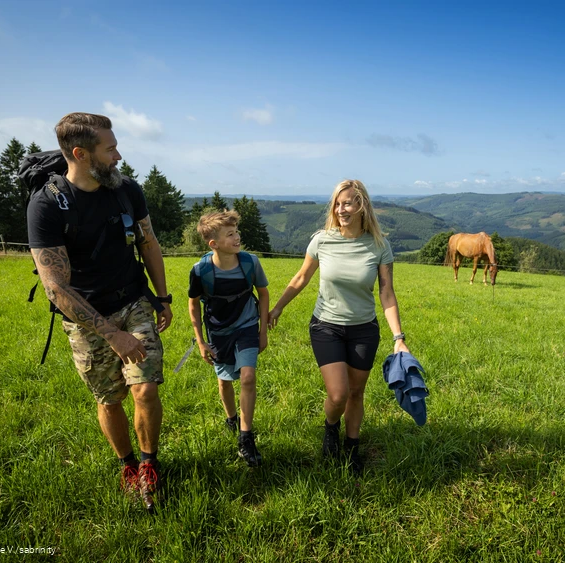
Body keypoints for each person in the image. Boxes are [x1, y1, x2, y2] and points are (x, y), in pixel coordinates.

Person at [27, 112, 173, 511]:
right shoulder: (47, 205)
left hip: (133, 300)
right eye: (110, 150)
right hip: (86, 316)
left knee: (144, 388)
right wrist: (111, 333)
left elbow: (148, 243)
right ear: (80, 153)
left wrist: (163, 297)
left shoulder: (126, 190)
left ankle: (148, 464)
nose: (118, 156)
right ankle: (126, 465)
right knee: (110, 399)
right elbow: (55, 286)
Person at [268, 179, 409, 473]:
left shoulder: (379, 245)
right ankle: (330, 426)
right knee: (338, 394)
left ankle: (351, 447)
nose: (341, 209)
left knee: (357, 393)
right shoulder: (321, 240)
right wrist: (278, 307)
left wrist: (399, 337)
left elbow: (386, 292)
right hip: (326, 326)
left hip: (364, 329)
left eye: (347, 203)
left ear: (361, 206)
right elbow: (301, 278)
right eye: (337, 203)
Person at [188, 210, 269, 467]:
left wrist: (263, 330)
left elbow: (263, 294)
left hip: (247, 326)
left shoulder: (250, 263)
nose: (237, 237)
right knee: (224, 382)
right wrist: (201, 342)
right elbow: (193, 305)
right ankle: (231, 418)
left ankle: (246, 438)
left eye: (237, 232)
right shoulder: (200, 271)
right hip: (218, 332)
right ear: (214, 244)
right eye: (230, 234)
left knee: (247, 376)